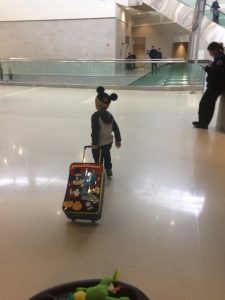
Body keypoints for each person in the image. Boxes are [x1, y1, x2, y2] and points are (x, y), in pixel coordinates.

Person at [192, 42, 225, 129]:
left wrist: (207, 68)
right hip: (215, 85)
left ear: (215, 50)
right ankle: (203, 122)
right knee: (207, 104)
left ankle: (203, 123)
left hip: (216, 86)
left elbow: (218, 72)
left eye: (210, 51)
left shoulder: (221, 58)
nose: (209, 53)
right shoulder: (218, 58)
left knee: (206, 104)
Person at [91, 86, 121, 177]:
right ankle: (108, 169)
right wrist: (118, 140)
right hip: (108, 142)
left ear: (97, 103)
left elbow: (95, 130)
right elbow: (116, 128)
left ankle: (98, 170)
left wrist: (94, 143)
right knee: (107, 155)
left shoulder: (95, 116)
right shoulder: (109, 115)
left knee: (98, 157)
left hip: (99, 143)